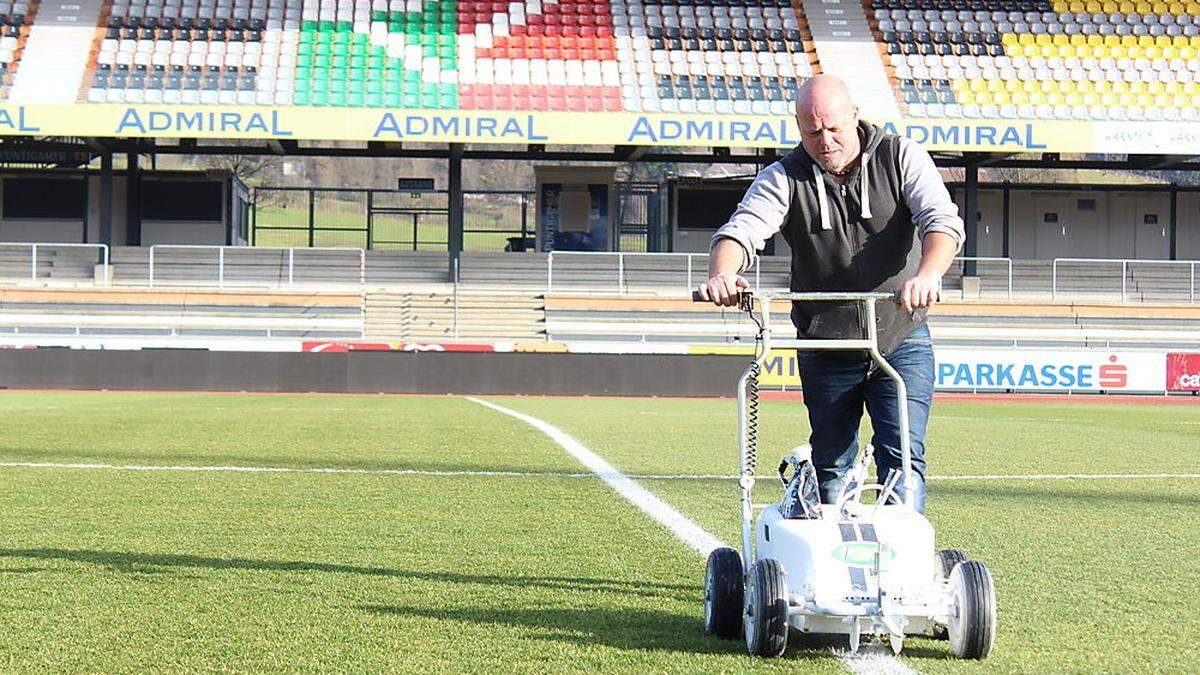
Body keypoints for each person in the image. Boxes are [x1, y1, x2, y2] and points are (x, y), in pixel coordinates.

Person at [696, 75, 965, 514]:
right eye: (812, 131)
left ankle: (901, 567)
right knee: (833, 464)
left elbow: (942, 221)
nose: (825, 141)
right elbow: (741, 230)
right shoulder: (784, 177)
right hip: (825, 342)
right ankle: (830, 566)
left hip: (900, 336)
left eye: (834, 128)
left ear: (854, 116)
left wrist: (929, 274)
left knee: (902, 456)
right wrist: (723, 273)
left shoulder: (902, 157)